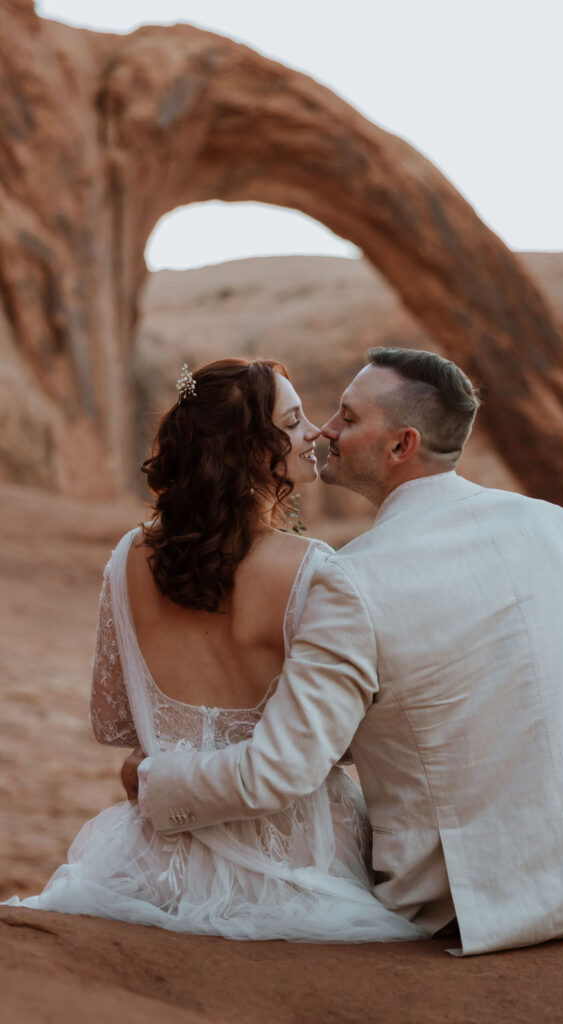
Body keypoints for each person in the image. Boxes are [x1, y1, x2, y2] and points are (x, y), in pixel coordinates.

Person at [130, 347, 563, 957]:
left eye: (346, 416)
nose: (325, 431)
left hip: (470, 900)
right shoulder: (551, 525)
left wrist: (155, 781)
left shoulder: (352, 582)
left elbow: (281, 769)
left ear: (401, 445)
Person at [4, 357, 423, 942]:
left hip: (156, 858)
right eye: (295, 421)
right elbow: (338, 739)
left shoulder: (129, 557)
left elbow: (115, 721)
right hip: (297, 861)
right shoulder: (314, 571)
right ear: (251, 448)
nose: (315, 434)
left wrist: (170, 747)